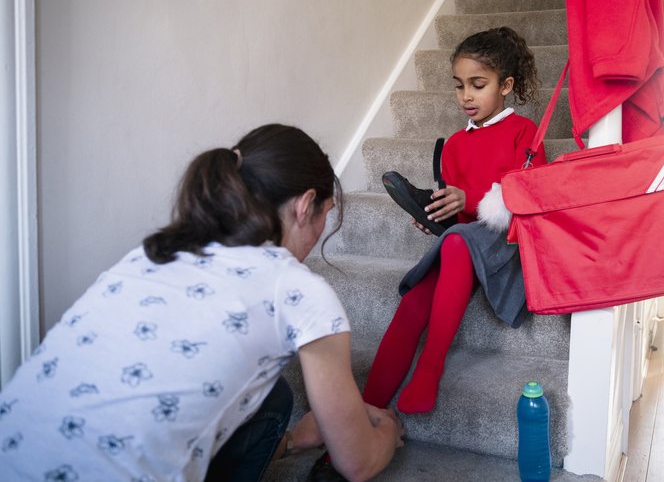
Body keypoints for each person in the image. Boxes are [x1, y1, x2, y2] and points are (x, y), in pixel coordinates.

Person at [0, 124, 404, 482]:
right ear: (304, 205)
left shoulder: (156, 252)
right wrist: (386, 431)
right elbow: (357, 463)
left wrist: (296, 440)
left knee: (275, 396)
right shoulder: (296, 288)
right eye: (324, 215)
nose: (319, 232)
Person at [363, 26, 548, 414]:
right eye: (459, 85)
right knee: (416, 299)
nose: (466, 95)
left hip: (505, 244)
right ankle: (367, 408)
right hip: (463, 243)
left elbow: (529, 199)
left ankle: (429, 370)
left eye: (478, 84)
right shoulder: (455, 144)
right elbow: (462, 214)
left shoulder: (524, 132)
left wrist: (472, 201)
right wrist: (438, 214)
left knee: (458, 241)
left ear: (506, 85)